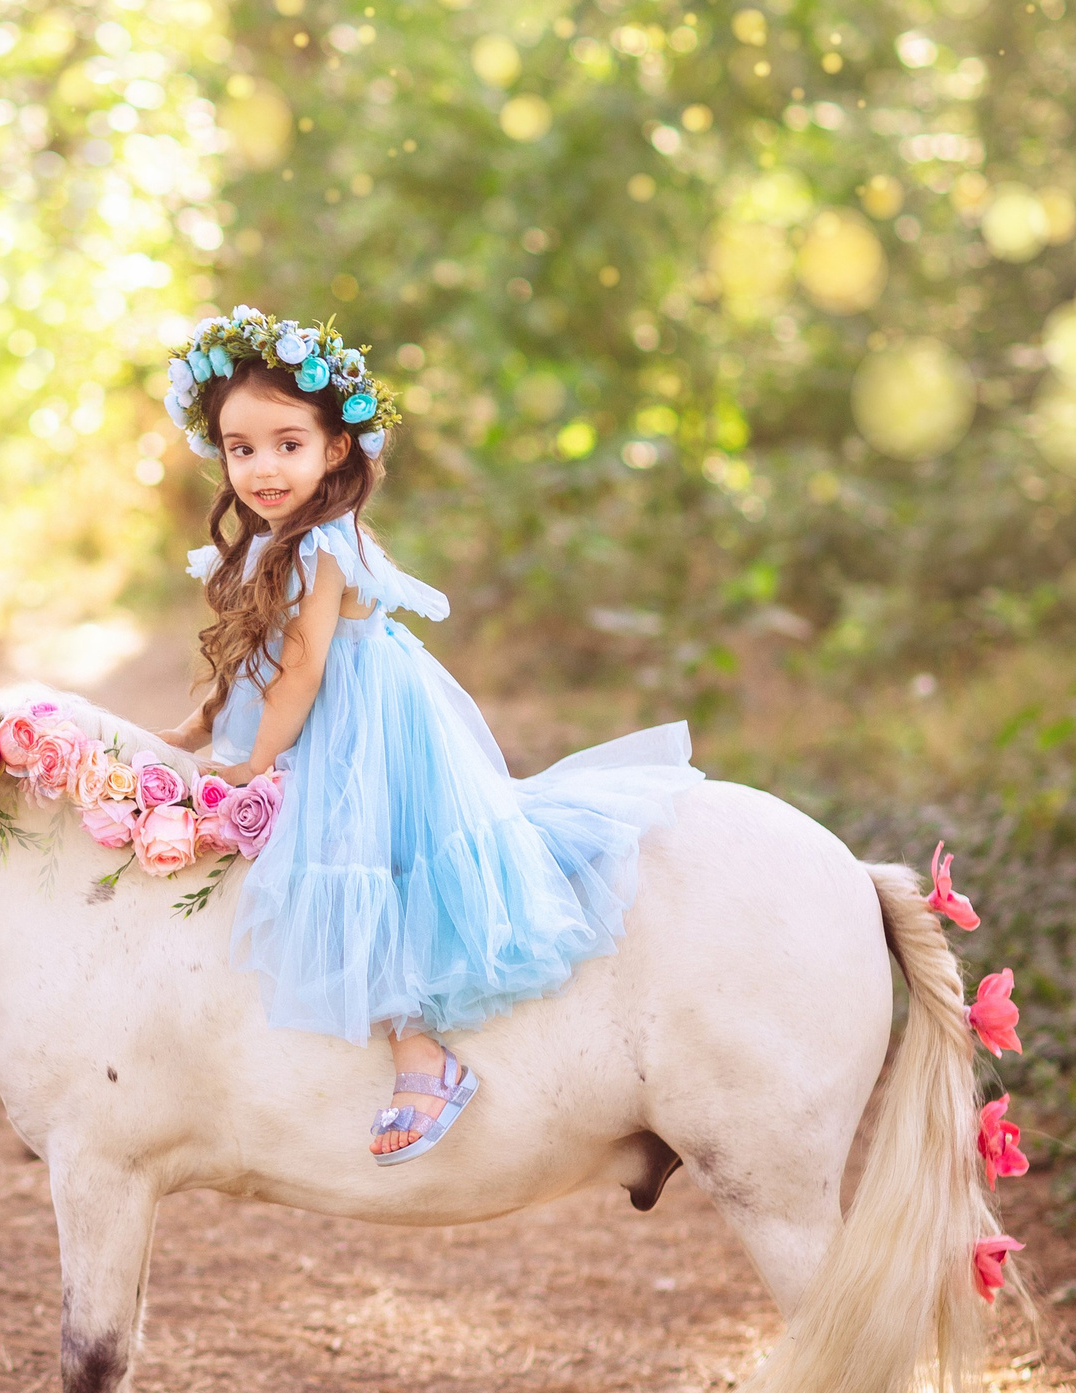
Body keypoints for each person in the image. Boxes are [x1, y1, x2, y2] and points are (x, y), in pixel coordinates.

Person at [150, 307, 702, 1165]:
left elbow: (299, 671)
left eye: (287, 443)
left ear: (336, 448)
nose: (261, 467)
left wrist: (252, 760)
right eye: (241, 446)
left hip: (370, 729)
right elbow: (260, 652)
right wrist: (204, 721)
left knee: (360, 862)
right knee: (307, 861)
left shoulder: (322, 546)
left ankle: (422, 1053)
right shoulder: (274, 542)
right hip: (333, 716)